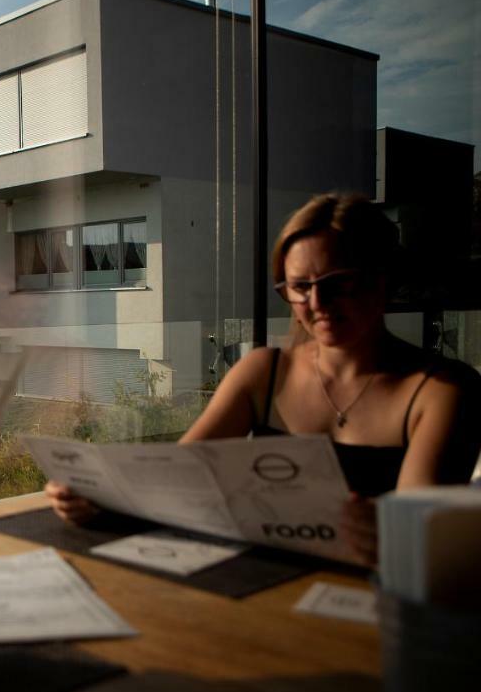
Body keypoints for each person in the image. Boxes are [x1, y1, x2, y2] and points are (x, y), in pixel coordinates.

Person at [48, 194, 481, 564]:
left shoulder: (442, 391)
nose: (317, 302)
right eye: (300, 286)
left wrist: (397, 539)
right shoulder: (263, 371)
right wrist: (98, 498)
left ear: (383, 280)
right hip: (256, 586)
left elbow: (422, 539)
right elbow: (179, 479)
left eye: (338, 283)